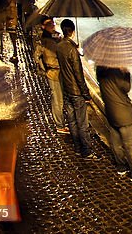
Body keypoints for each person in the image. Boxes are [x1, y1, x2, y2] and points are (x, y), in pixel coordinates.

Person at [96, 65, 132, 182]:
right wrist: (126, 73)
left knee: (115, 141)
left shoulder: (100, 69)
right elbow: (126, 87)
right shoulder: (116, 71)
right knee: (130, 145)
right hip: (122, 112)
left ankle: (121, 167)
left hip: (110, 110)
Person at [56, 19, 96, 159]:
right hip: (76, 91)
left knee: (71, 120)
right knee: (82, 122)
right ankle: (87, 150)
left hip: (66, 88)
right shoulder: (72, 49)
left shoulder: (59, 46)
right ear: (72, 32)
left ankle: (77, 147)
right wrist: (86, 94)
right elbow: (78, 74)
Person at [34, 17, 67, 133]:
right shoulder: (45, 41)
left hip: (59, 72)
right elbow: (37, 56)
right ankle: (60, 125)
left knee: (60, 99)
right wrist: (44, 69)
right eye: (49, 24)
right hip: (54, 73)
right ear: (44, 26)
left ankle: (60, 122)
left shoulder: (55, 37)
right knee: (58, 100)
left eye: (52, 23)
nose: (52, 25)